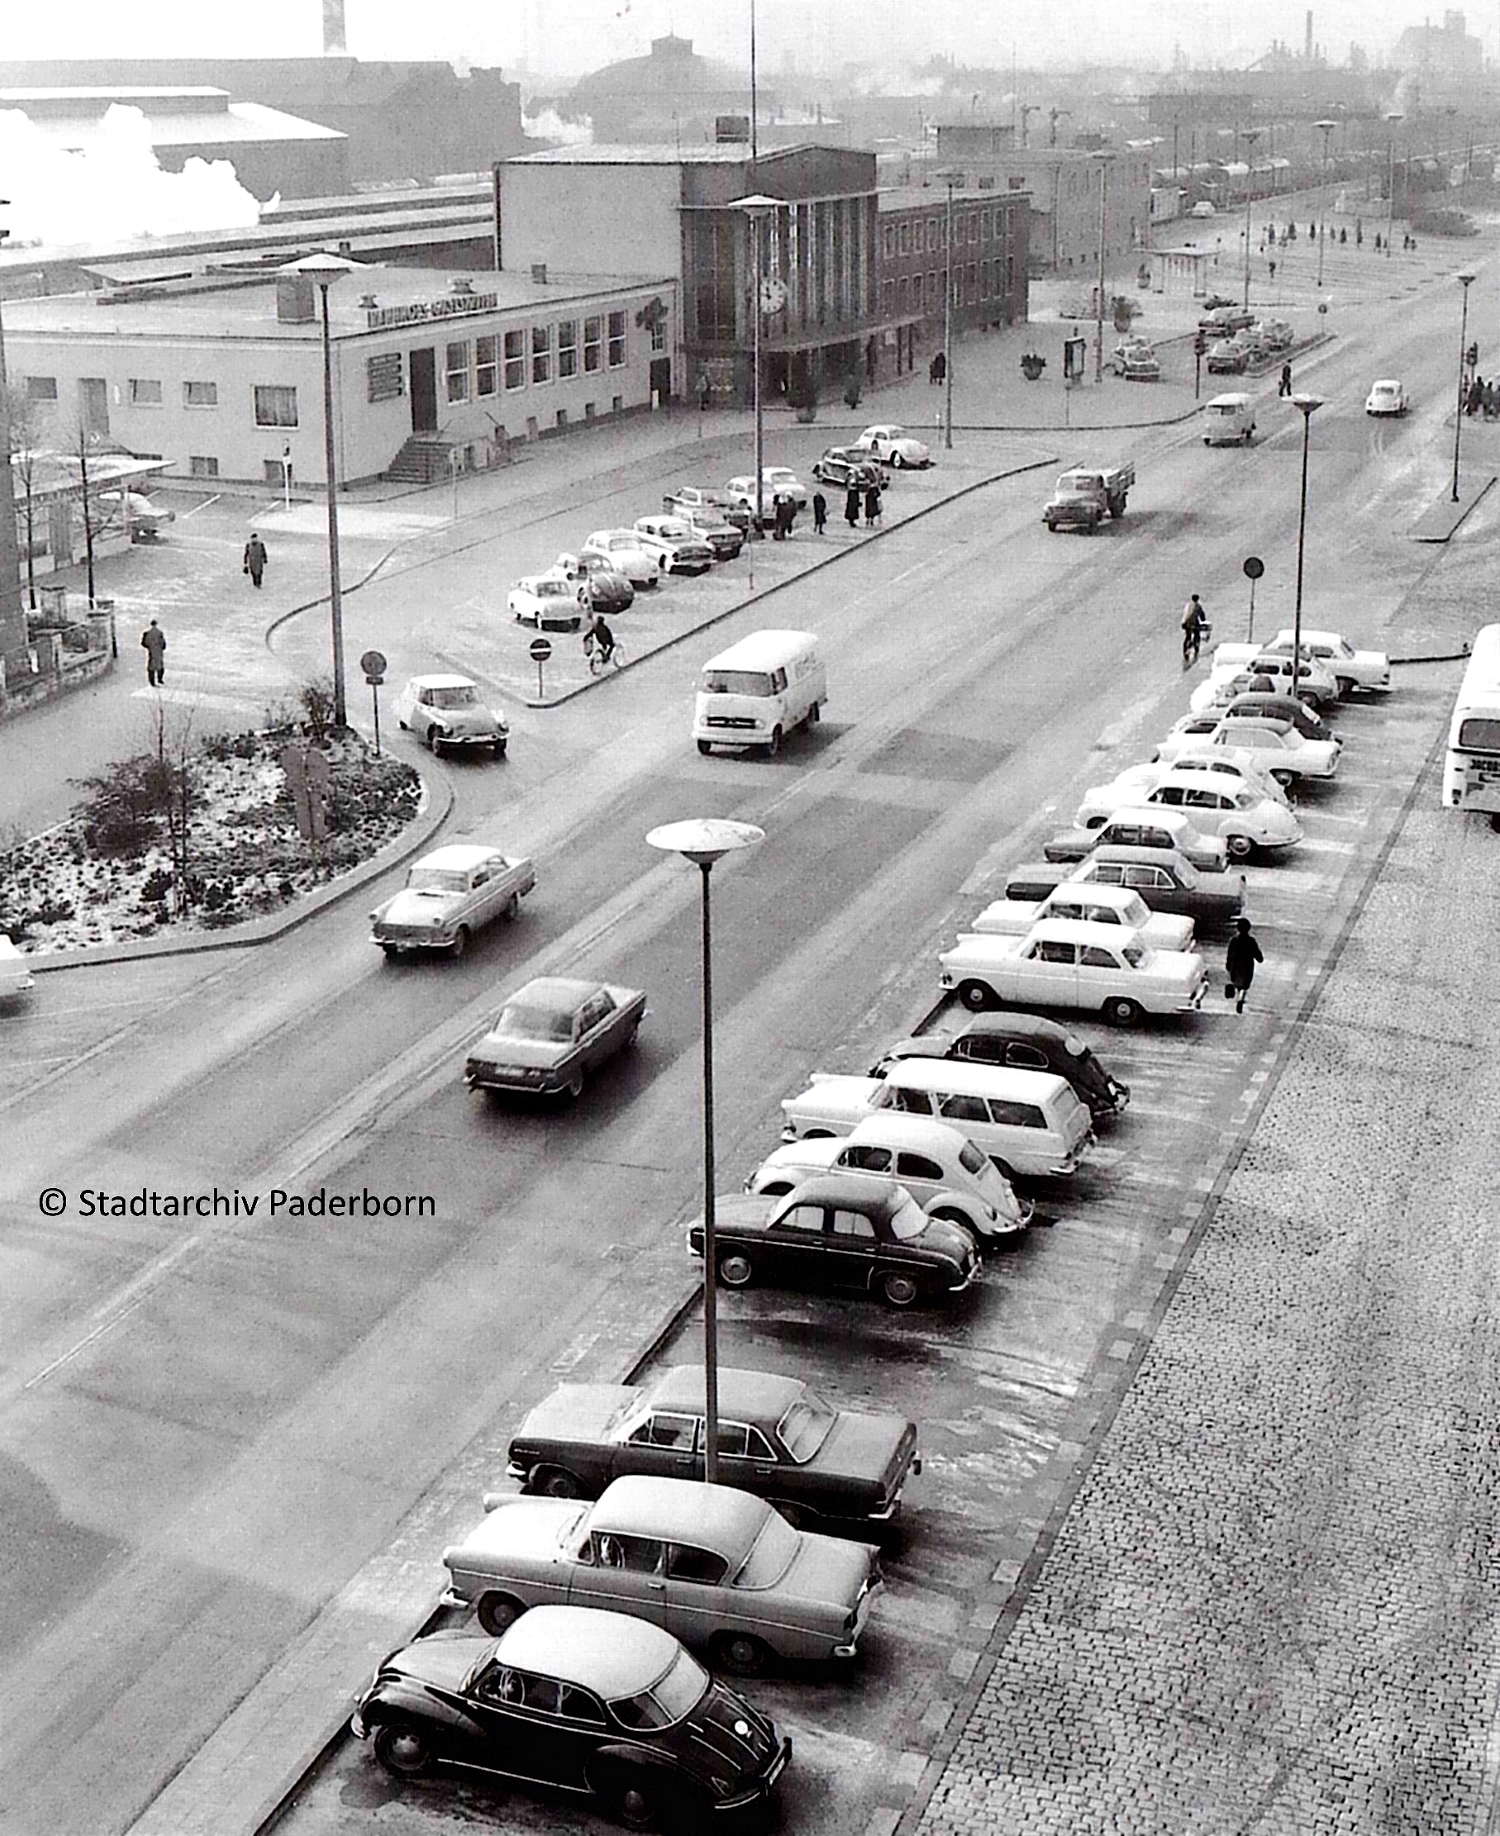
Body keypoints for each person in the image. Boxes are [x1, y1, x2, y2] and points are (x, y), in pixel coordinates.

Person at [1224, 917, 1264, 1015]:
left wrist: (1228, 965)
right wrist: (1259, 958)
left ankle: (1236, 992)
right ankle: (1240, 998)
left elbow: (1229, 954)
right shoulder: (1251, 941)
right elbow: (1257, 955)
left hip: (1235, 965)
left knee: (1236, 981)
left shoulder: (1234, 940)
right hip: (1247, 966)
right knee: (1244, 985)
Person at [1181, 595, 1209, 668]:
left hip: (1184, 622)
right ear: (1197, 599)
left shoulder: (1188, 605)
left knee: (1188, 635)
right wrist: (1204, 622)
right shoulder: (1198, 606)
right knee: (1197, 634)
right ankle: (1196, 648)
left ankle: (1185, 649)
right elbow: (1202, 616)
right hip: (1193, 622)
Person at [141, 618, 166, 687]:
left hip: (151, 651)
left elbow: (144, 643)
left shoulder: (147, 633)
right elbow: (163, 644)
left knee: (151, 666)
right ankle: (160, 678)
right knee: (160, 665)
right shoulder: (160, 633)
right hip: (159, 651)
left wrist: (149, 646)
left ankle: (152, 681)